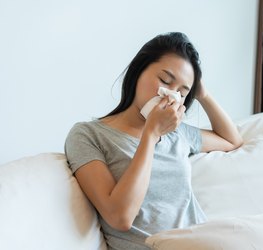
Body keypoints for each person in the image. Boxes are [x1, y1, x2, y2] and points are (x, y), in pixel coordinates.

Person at [65, 32, 243, 250]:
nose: (171, 95)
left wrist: (203, 94)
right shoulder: (89, 136)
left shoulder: (178, 134)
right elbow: (120, 217)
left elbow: (231, 140)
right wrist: (151, 134)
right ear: (138, 71)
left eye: (182, 92)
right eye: (165, 81)